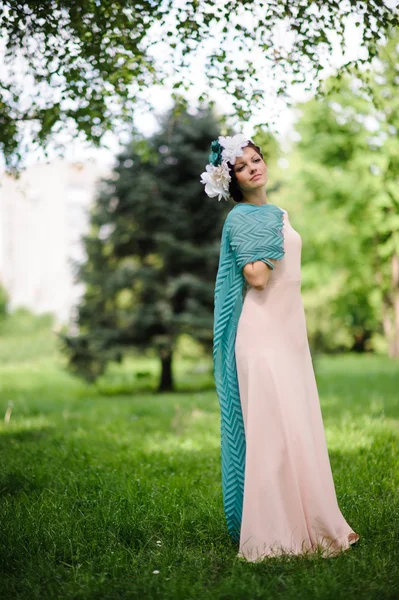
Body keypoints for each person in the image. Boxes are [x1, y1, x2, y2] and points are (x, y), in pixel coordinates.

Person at [200, 133, 360, 561]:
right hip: (261, 337)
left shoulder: (278, 213)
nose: (254, 167)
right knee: (273, 434)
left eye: (257, 159)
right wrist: (268, 233)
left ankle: (317, 525)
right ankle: (273, 537)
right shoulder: (243, 218)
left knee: (299, 427)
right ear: (231, 179)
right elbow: (256, 277)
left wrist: (273, 224)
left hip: (289, 335)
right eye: (242, 165)